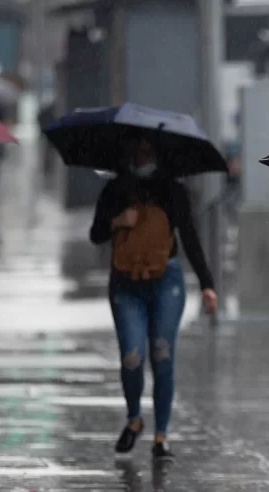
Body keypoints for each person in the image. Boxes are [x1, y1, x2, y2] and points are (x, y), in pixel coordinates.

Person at [90, 135, 218, 460]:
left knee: (162, 354)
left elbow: (188, 235)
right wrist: (119, 220)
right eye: (137, 149)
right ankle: (134, 419)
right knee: (131, 356)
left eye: (149, 150)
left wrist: (206, 283)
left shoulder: (173, 190)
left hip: (166, 281)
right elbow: (95, 234)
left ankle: (162, 434)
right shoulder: (115, 190)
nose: (143, 156)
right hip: (125, 283)